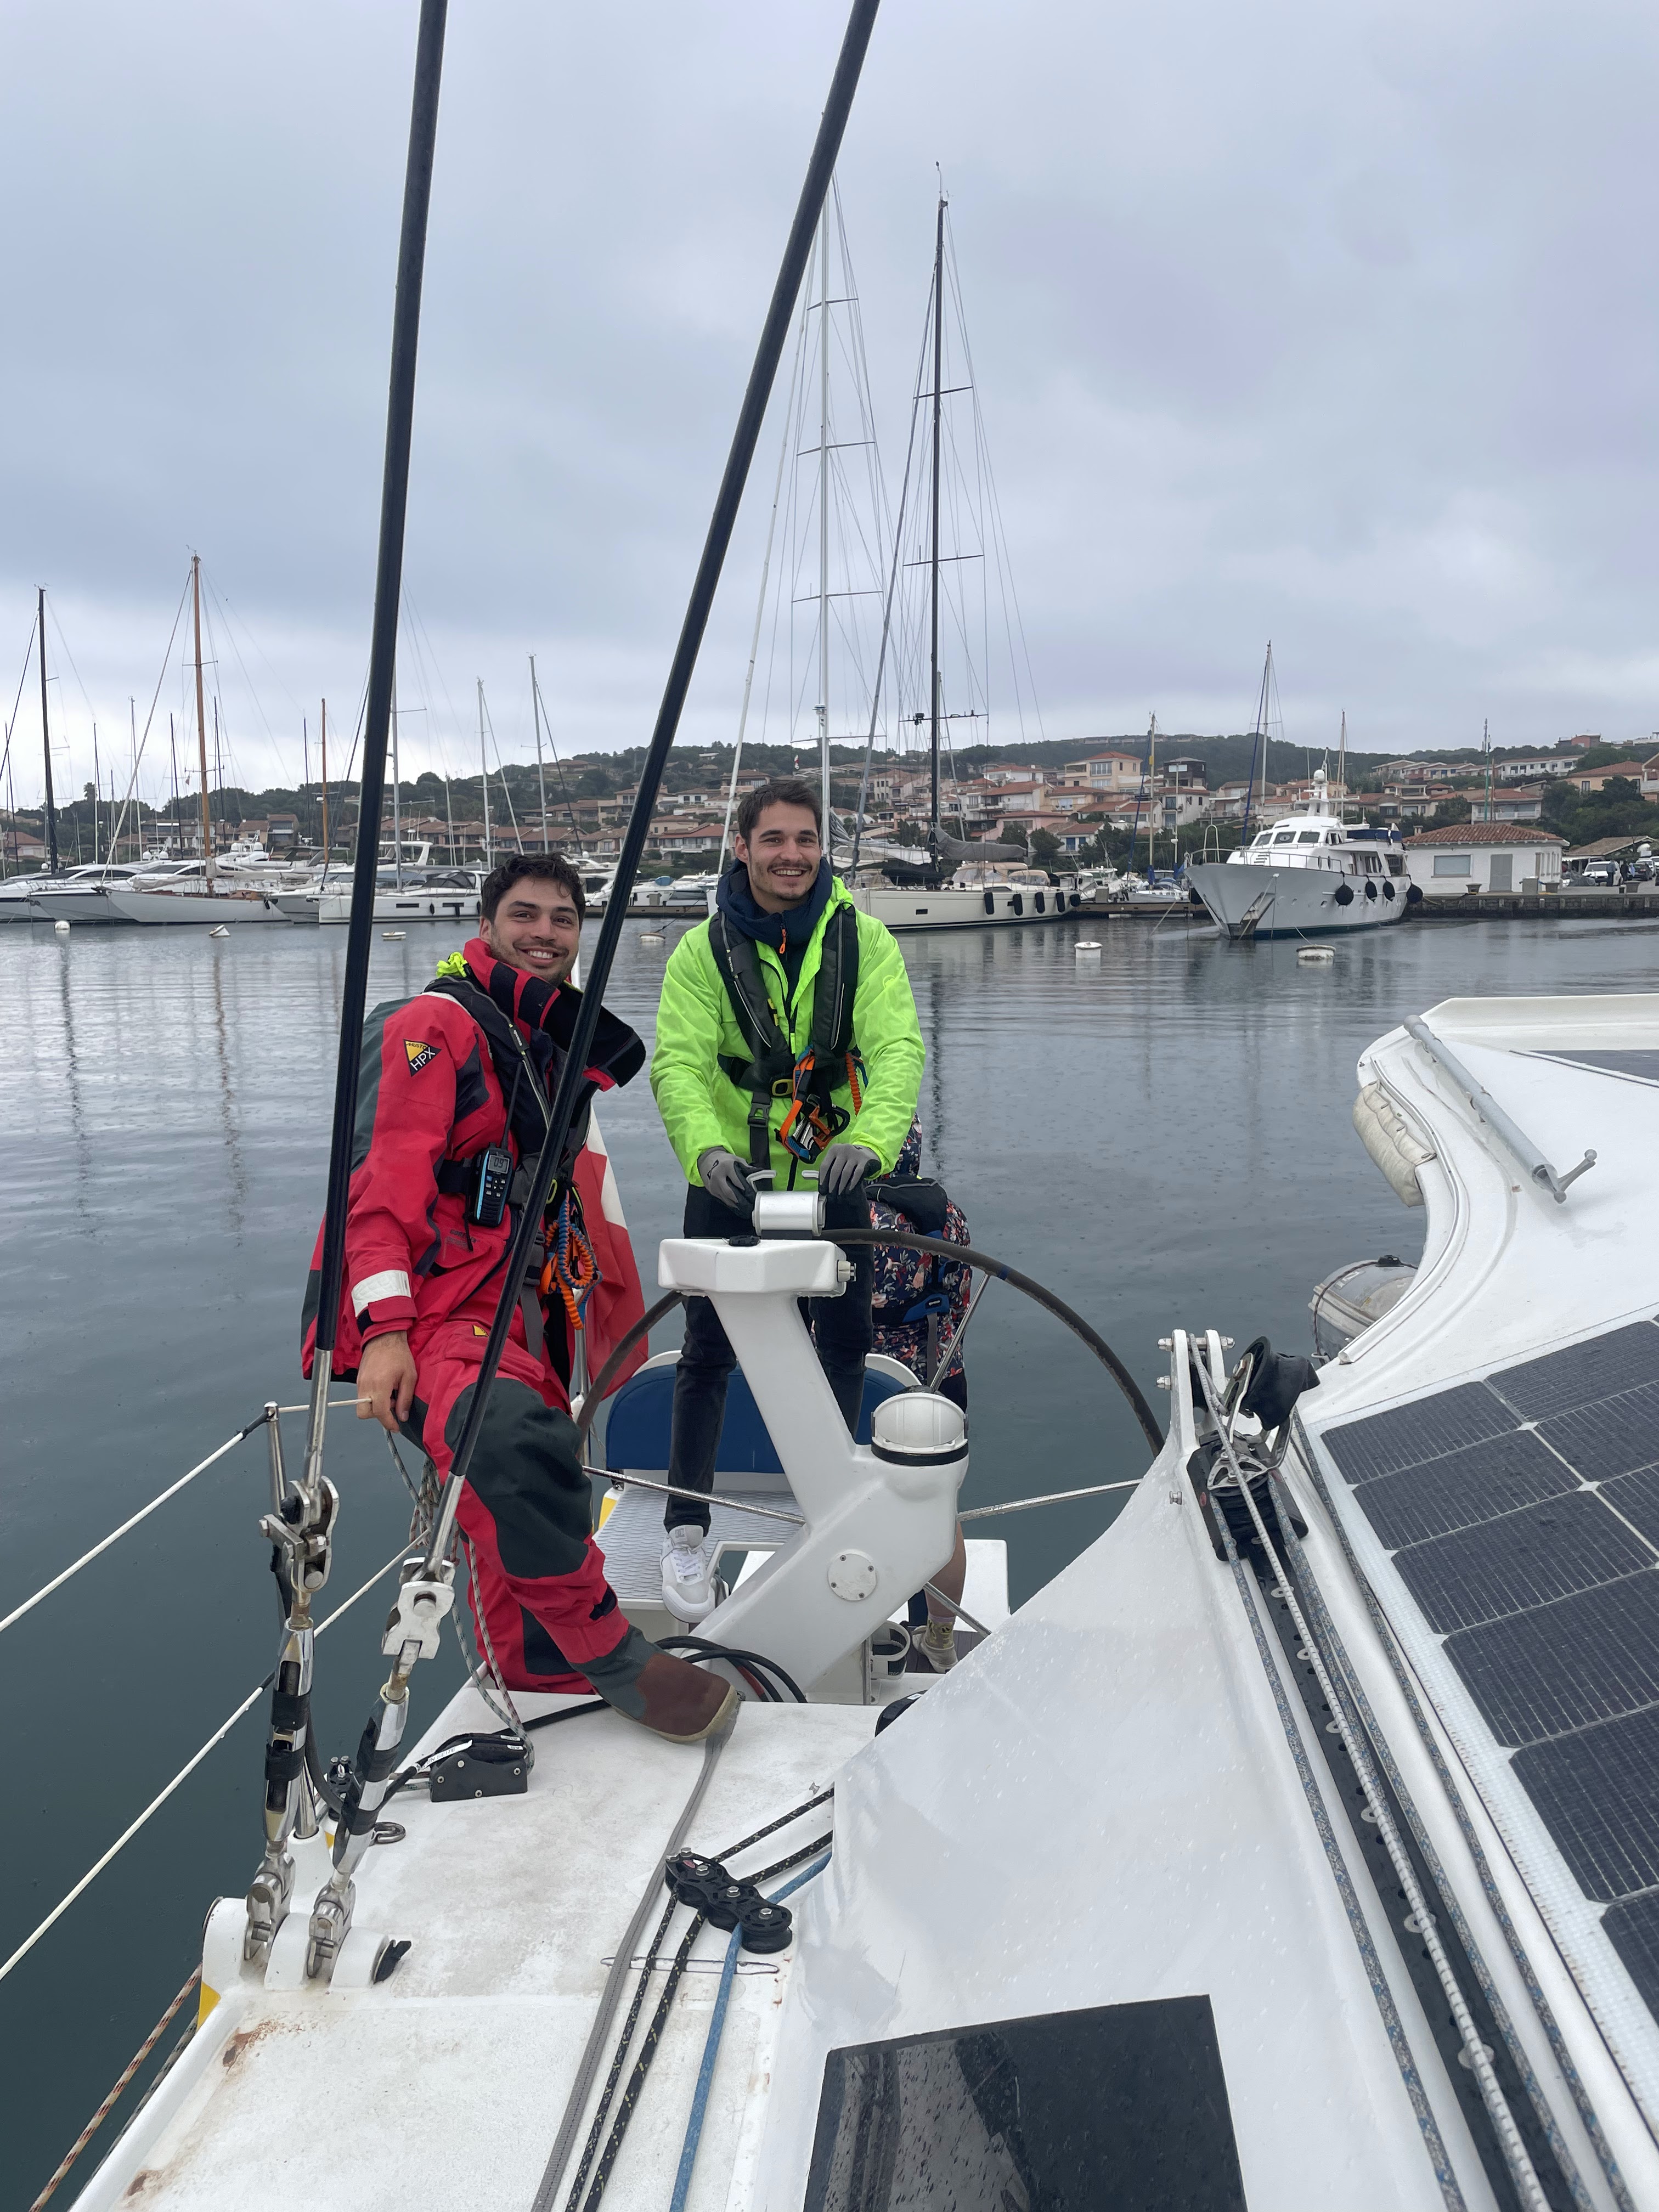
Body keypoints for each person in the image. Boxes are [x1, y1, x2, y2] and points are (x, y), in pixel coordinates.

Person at [301, 853, 734, 1743]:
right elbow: (377, 1191)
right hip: (435, 1310)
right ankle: (608, 1651)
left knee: (519, 1494)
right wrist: (384, 1334)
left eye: (562, 919)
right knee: (507, 1439)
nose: (544, 934)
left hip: (523, 1304)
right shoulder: (432, 1027)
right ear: (486, 924)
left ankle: (539, 1676)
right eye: (525, 916)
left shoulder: (544, 1042)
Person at [650, 777, 925, 1620]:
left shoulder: (866, 941)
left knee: (845, 1341)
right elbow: (679, 1063)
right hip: (730, 1177)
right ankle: (685, 1530)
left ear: (821, 847)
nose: (791, 855)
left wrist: (870, 1142)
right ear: (742, 847)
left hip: (833, 1170)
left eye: (805, 839)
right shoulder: (699, 953)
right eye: (773, 839)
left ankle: (824, 1512)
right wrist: (703, 1153)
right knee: (707, 1352)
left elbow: (898, 1048)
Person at [867, 1119, 972, 1671]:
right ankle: (939, 1637)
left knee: (859, 1507)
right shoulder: (950, 1216)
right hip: (939, 1379)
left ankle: (863, 1630)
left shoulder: (847, 1220)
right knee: (940, 1512)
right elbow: (961, 1298)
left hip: (868, 1387)